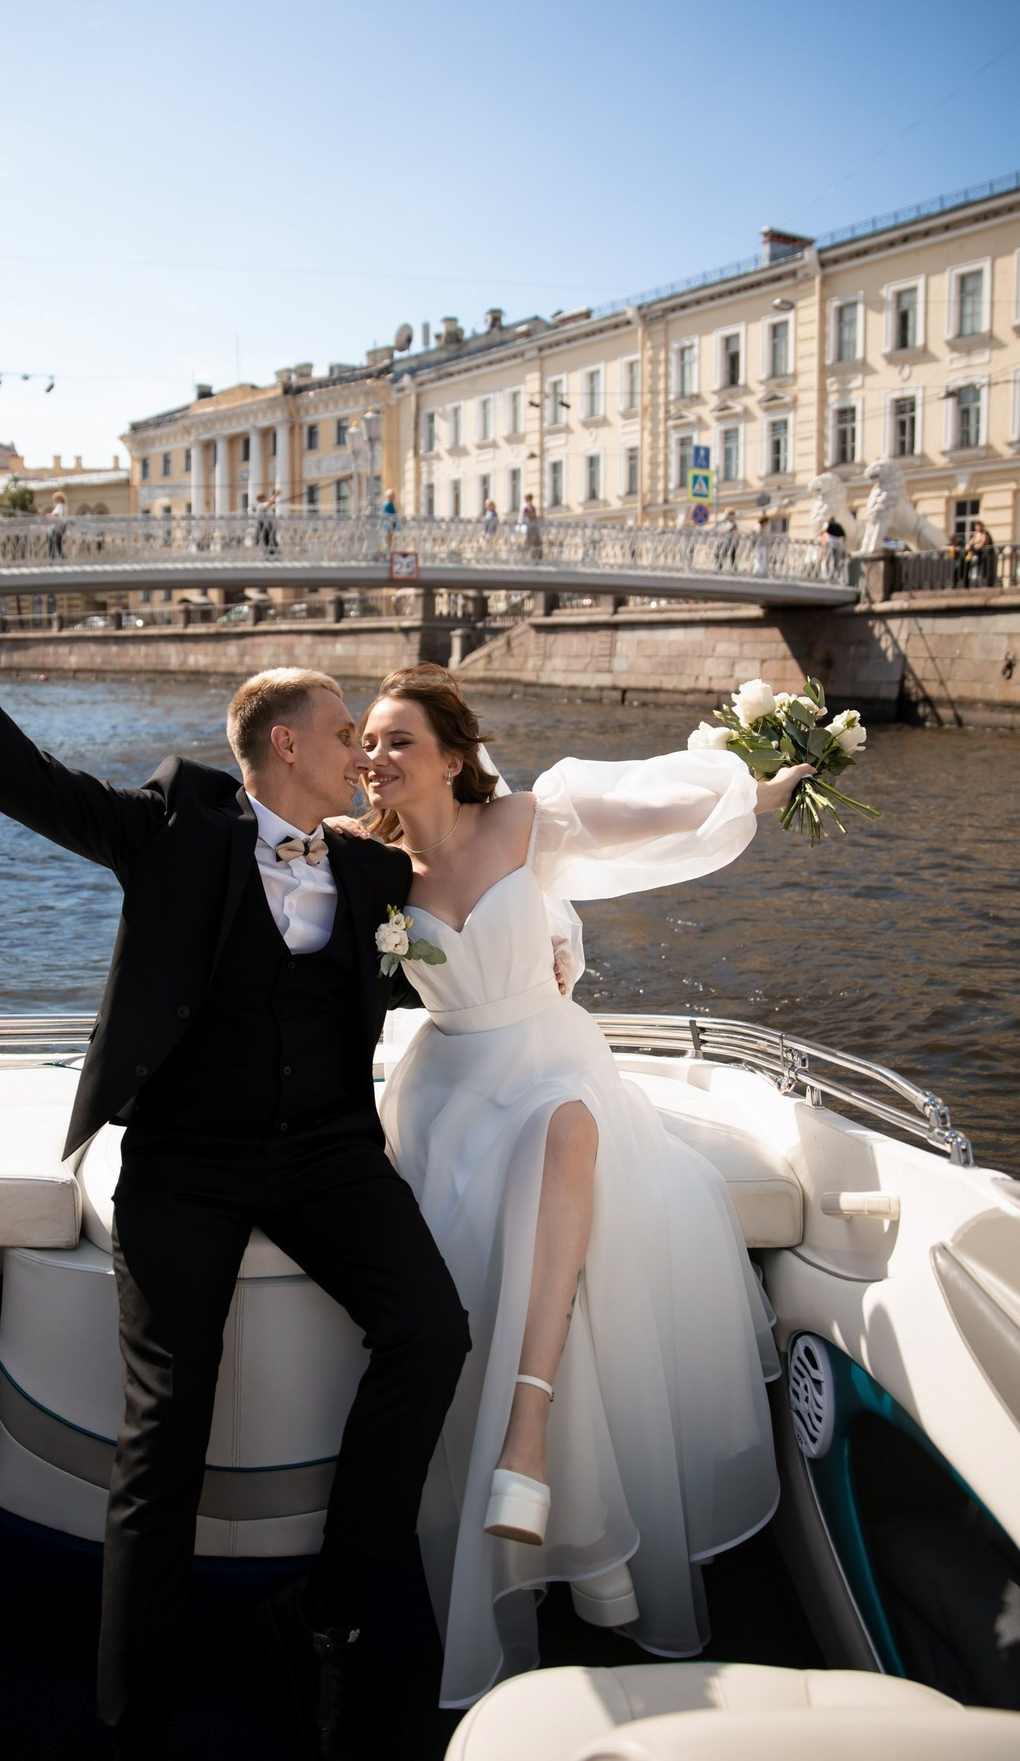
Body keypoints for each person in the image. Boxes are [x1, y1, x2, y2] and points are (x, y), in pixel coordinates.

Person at [0, 509, 470, 1761]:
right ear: (285, 745)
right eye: (346, 730)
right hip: (184, 1162)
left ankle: (325, 1616)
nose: (363, 750)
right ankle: (133, 1719)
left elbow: (438, 940)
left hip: (330, 1154)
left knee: (430, 1330)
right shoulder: (174, 827)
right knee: (164, 1429)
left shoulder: (372, 875)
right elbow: (25, 783)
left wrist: (531, 959)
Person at [355, 664, 808, 1709]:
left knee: (565, 1132)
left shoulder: (527, 820)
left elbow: (650, 802)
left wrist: (757, 787)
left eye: (396, 740)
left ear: (454, 758)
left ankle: (534, 1445)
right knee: (501, 1242)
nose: (374, 758)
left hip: (551, 1065)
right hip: (447, 1095)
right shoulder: (363, 864)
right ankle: (582, 1546)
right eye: (366, 743)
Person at [966, 519, 996, 588]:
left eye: (979, 526)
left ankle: (985, 583)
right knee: (977, 569)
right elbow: (970, 543)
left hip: (985, 555)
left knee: (985, 570)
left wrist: (975, 545)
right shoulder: (975, 535)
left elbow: (983, 543)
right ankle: (977, 583)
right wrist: (969, 546)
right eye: (976, 526)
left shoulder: (985, 533)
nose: (978, 527)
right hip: (978, 555)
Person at [46, 490, 67, 559]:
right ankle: (61, 558)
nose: (54, 501)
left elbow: (57, 514)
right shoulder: (63, 506)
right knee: (58, 545)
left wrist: (49, 515)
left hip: (56, 528)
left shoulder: (60, 506)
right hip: (59, 528)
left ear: (59, 499)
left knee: (51, 543)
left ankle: (51, 559)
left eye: (55, 499)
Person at [752, 514, 773, 578]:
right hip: (759, 545)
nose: (767, 524)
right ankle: (758, 571)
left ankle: (761, 571)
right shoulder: (758, 526)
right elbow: (759, 535)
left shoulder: (762, 527)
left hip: (761, 545)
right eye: (767, 522)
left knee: (761, 559)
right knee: (758, 559)